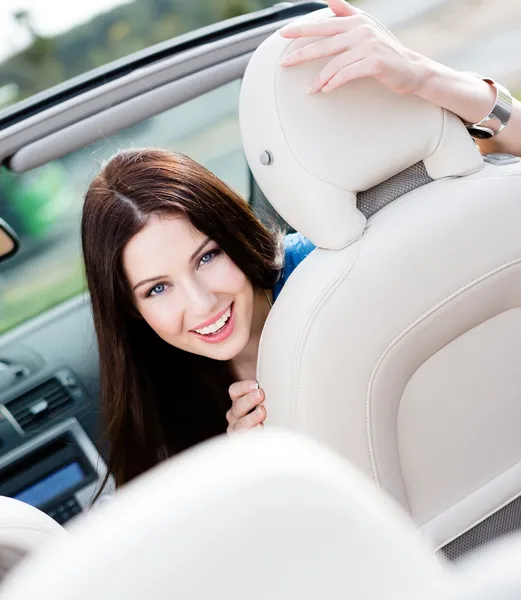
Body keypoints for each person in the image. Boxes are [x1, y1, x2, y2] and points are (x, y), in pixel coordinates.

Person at [82, 0, 520, 490]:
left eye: (207, 257)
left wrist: (426, 79)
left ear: (232, 235)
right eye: (156, 290)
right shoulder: (162, 411)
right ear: (130, 310)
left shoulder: (339, 267)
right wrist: (240, 477)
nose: (201, 303)